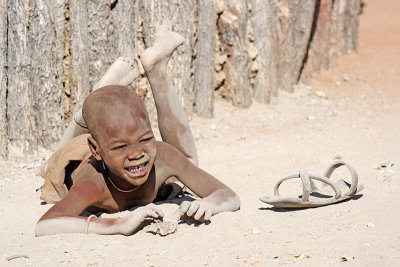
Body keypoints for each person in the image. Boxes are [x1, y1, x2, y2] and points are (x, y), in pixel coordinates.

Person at [35, 26, 240, 236]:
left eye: (146, 139)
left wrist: (211, 204)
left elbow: (228, 195)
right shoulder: (93, 182)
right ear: (97, 151)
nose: (136, 154)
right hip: (77, 151)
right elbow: (45, 225)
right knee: (55, 161)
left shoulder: (162, 155)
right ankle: (88, 109)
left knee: (186, 161)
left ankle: (155, 72)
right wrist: (117, 225)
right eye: (122, 147)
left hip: (107, 138)